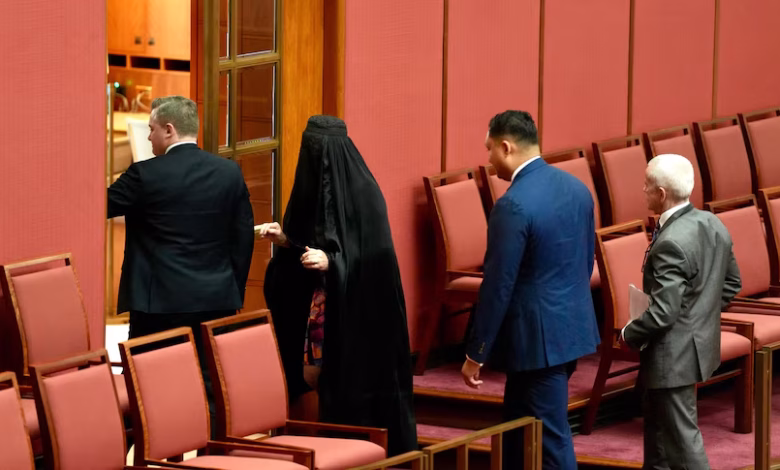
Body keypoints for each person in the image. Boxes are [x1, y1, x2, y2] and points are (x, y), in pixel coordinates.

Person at [256, 115, 417, 456]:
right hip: (318, 311)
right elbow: (310, 244)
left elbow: (377, 259)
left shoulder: (364, 191)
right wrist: (286, 240)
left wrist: (335, 263)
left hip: (356, 317)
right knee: (311, 377)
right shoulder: (309, 189)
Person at [460, 110, 600, 469]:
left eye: (489, 149)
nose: (488, 160)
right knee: (516, 431)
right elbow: (585, 262)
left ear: (506, 147)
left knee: (550, 439)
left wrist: (477, 351)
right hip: (569, 329)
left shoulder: (513, 204)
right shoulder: (577, 188)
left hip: (536, 341)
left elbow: (497, 284)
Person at [107, 95, 254, 389]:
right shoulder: (229, 173)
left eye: (152, 129)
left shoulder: (145, 175)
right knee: (209, 386)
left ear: (169, 130)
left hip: (158, 305)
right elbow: (243, 239)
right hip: (216, 300)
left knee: (150, 388)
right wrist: (230, 289)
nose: (148, 136)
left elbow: (99, 206)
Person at [620, 153, 741, 469]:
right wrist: (699, 317)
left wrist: (627, 333)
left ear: (661, 194)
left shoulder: (671, 241)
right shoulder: (711, 222)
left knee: (683, 441)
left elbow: (663, 313)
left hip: (672, 355)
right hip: (694, 347)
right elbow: (731, 283)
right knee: (659, 434)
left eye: (646, 186)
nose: (642, 190)